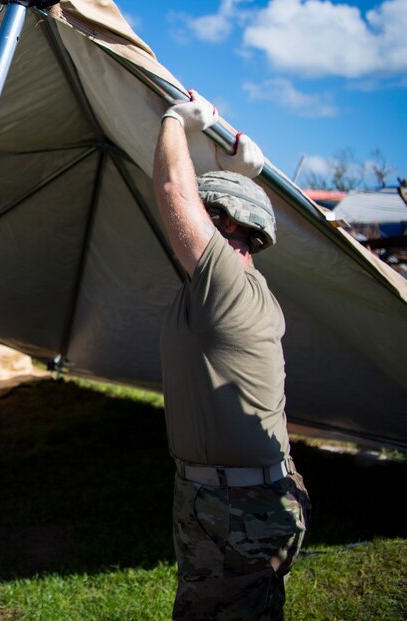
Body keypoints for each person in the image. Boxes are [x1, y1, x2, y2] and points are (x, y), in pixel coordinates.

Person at [153, 90, 311, 620]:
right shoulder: (235, 285)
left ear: (222, 226)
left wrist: (176, 121)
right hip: (239, 501)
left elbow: (175, 191)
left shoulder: (222, 286)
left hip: (237, 512)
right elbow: (210, 217)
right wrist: (244, 177)